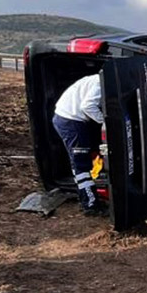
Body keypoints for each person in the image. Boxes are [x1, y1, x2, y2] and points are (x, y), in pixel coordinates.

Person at [52, 73, 108, 216]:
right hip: (71, 121)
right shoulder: (100, 84)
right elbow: (87, 106)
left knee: (80, 161)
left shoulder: (95, 79)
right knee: (81, 164)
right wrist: (105, 121)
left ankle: (88, 198)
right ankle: (90, 205)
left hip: (68, 118)